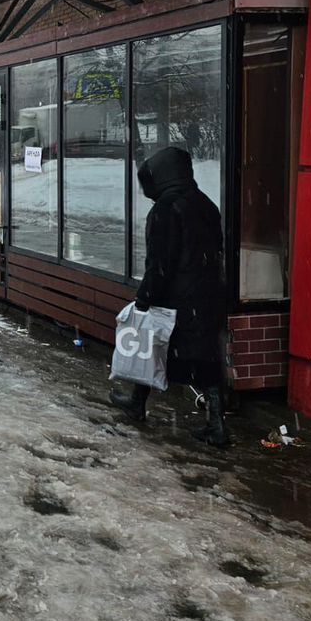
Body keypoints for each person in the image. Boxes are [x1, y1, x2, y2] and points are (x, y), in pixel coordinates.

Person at [109, 146, 230, 447]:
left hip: (177, 299)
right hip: (207, 297)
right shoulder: (206, 205)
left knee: (149, 345)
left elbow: (160, 263)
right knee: (205, 358)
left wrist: (146, 296)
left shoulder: (166, 209)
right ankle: (216, 422)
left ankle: (138, 404)